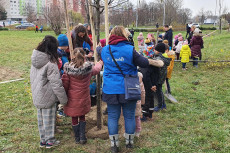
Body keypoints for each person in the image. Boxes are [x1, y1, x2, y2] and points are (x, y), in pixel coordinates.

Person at [101, 26, 164, 152]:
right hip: (128, 88)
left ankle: (114, 145)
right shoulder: (130, 49)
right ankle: (129, 142)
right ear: (125, 35)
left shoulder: (104, 50)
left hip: (110, 88)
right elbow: (144, 63)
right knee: (129, 116)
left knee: (113, 116)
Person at [30, 35, 68, 149]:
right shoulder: (51, 64)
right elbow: (56, 84)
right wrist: (64, 100)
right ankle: (50, 141)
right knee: (49, 120)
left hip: (37, 93)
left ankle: (43, 140)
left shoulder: (35, 60)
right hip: (48, 96)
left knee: (41, 119)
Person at [62, 48, 103, 144]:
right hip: (84, 97)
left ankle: (77, 138)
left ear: (73, 56)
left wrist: (63, 95)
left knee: (74, 117)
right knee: (82, 115)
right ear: (84, 56)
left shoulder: (68, 70)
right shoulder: (88, 69)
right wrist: (100, 63)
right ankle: (83, 136)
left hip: (72, 99)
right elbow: (96, 70)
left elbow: (65, 84)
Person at [151, 43, 170, 112]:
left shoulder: (158, 58)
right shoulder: (162, 57)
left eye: (155, 50)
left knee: (158, 91)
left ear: (158, 51)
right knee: (159, 90)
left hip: (158, 78)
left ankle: (160, 105)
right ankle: (163, 104)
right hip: (161, 77)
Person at [135, 72, 145, 137]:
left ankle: (129, 131)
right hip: (138, 102)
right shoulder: (140, 83)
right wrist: (143, 102)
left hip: (129, 101)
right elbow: (143, 92)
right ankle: (138, 131)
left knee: (128, 118)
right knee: (137, 118)